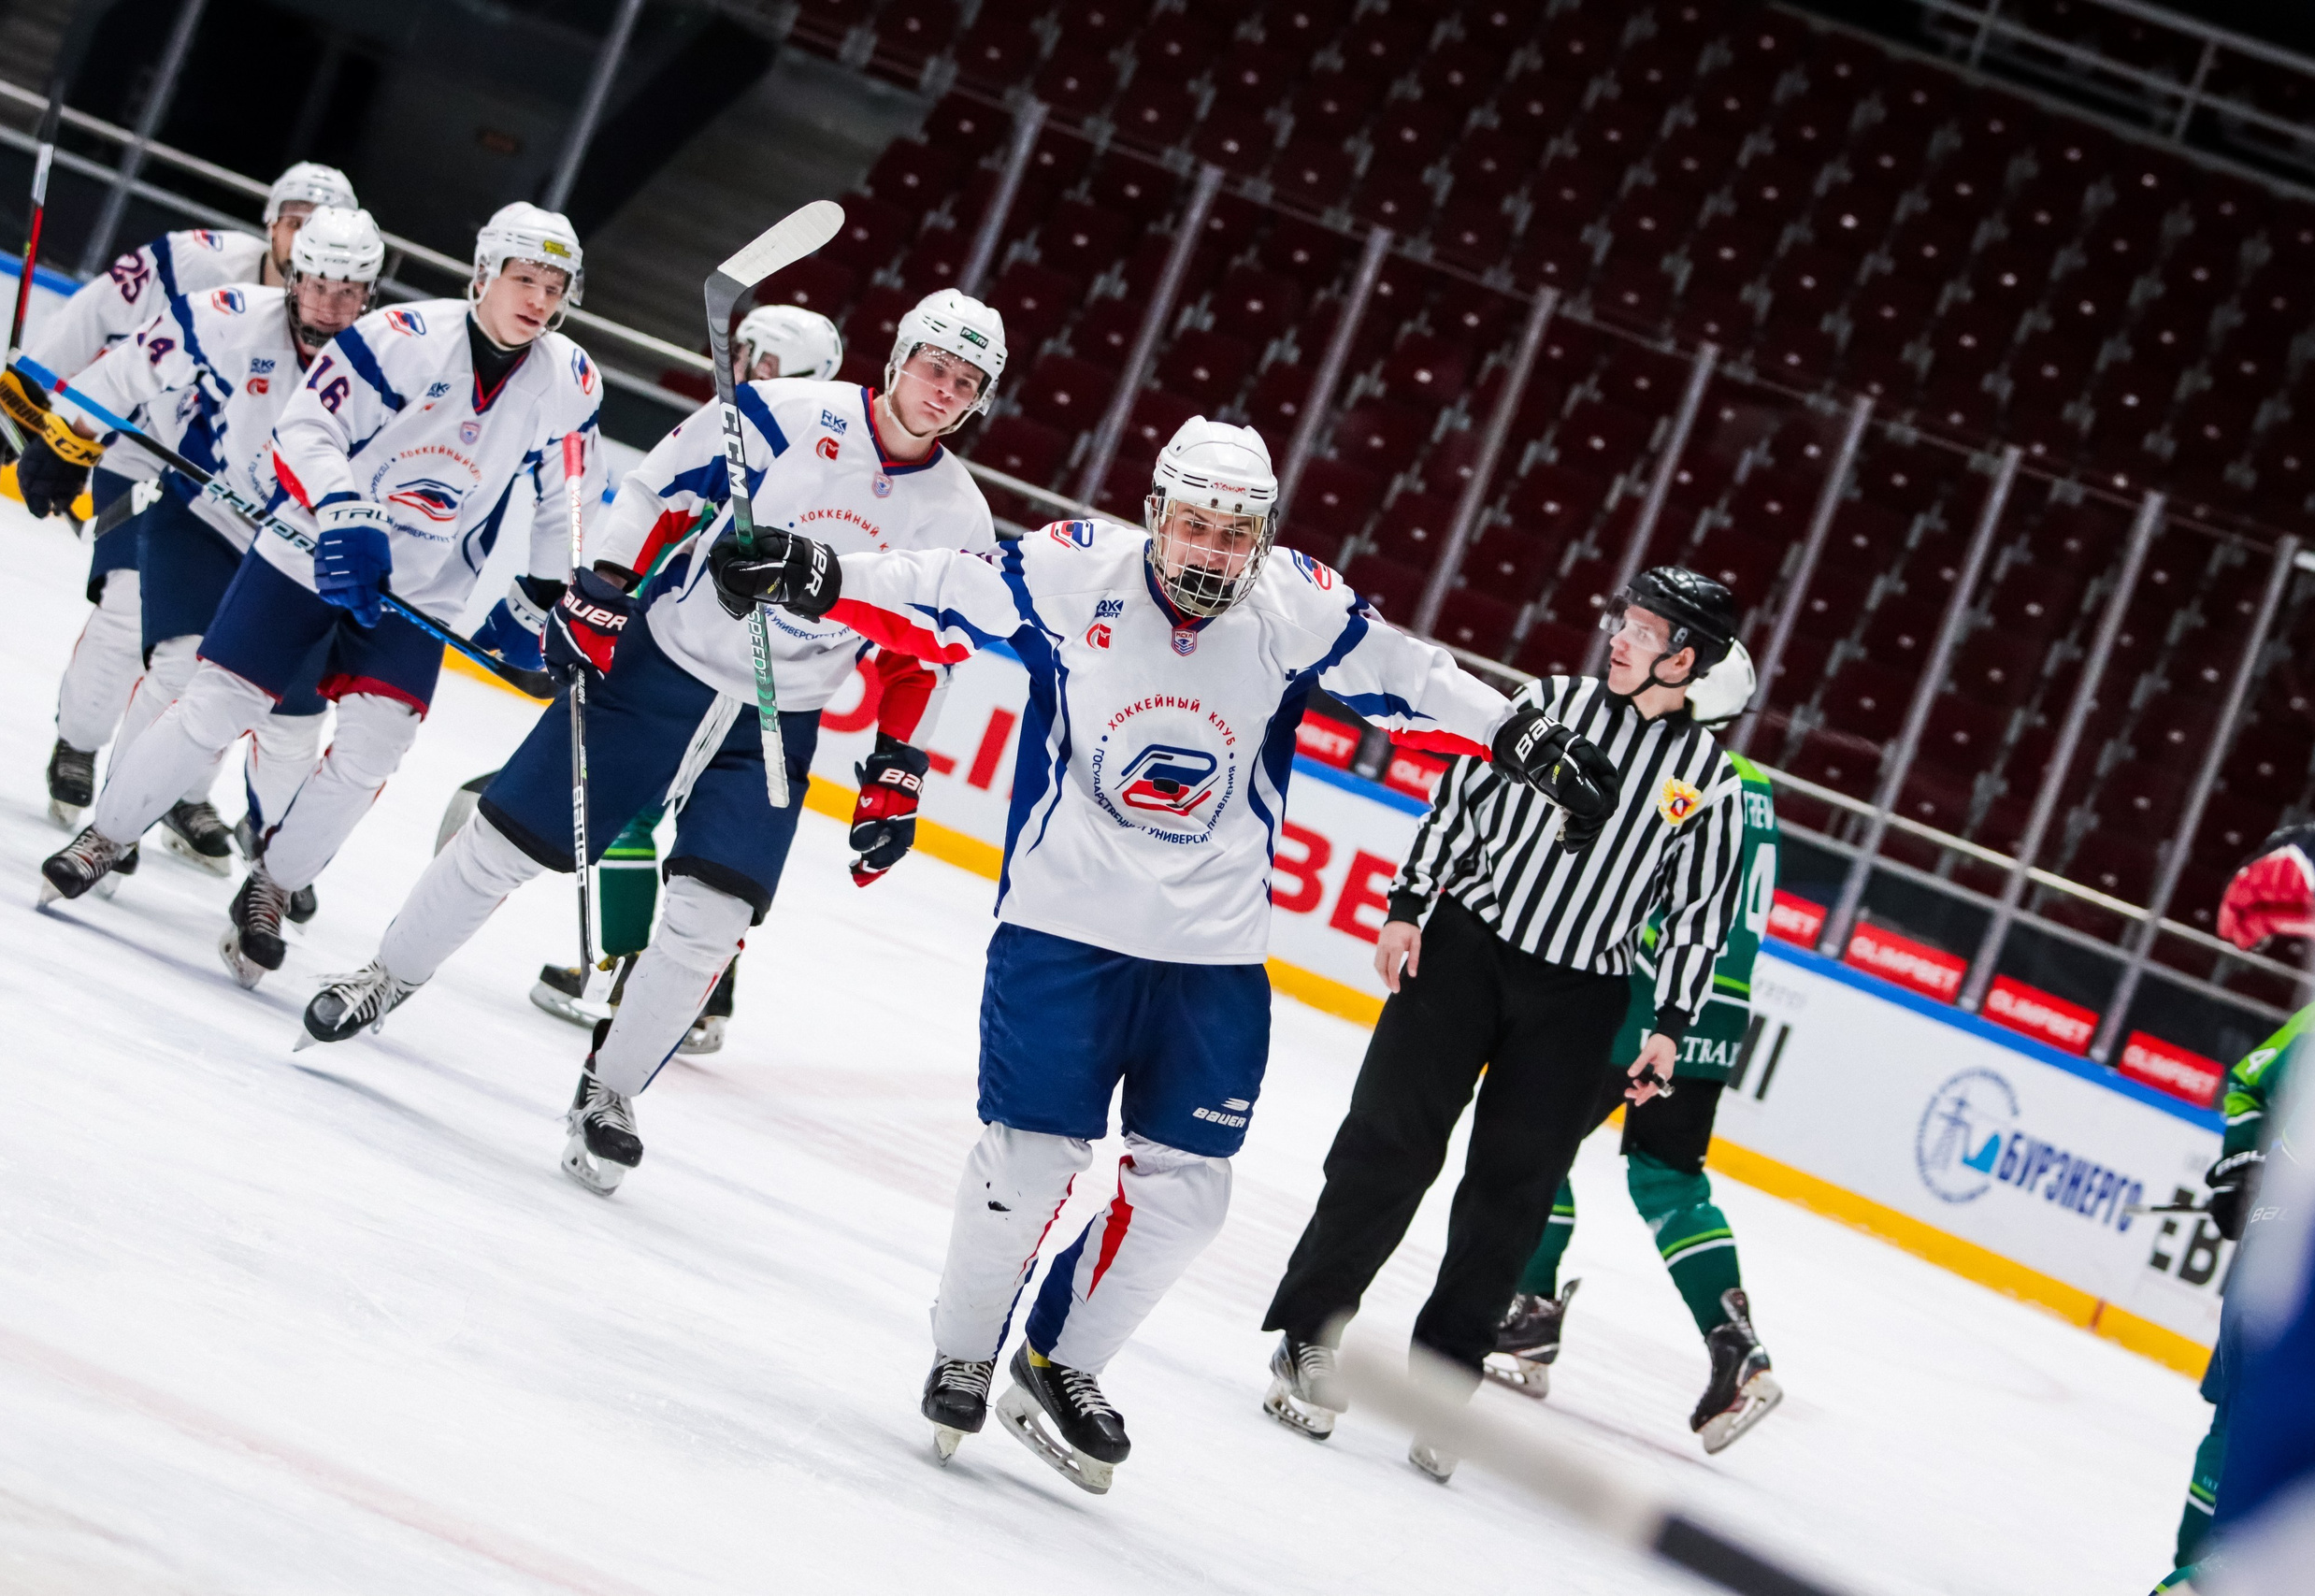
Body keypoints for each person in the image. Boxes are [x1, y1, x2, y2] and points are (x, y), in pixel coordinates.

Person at [708, 416, 1576, 1495]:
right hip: (1063, 932)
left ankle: (1059, 1362)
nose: (1212, 551)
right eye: (1196, 525)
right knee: (1029, 1164)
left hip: (1212, 958)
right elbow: (937, 589)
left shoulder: (1295, 607)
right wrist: (817, 571)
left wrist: (1519, 734)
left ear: (1263, 538)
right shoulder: (1072, 572)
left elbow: (1412, 679)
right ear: (1156, 513)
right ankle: (964, 1351)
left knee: (1189, 1192)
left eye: (1235, 534)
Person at [294, 290, 999, 1197]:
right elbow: (655, 490)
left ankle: (611, 1091)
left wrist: (899, 765)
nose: (944, 391)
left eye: (966, 383)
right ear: (900, 358)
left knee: (713, 922)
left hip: (775, 722)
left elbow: (928, 654)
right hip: (661, 668)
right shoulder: (782, 414)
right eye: (936, 367)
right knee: (503, 843)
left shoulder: (960, 516)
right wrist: (602, 587)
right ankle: (386, 977)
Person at [37, 202, 603, 995]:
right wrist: (343, 511)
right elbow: (304, 428)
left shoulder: (569, 378)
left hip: (423, 588)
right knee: (216, 702)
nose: (539, 300)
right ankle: (107, 835)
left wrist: (546, 590)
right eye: (525, 280)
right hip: (307, 551)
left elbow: (569, 494)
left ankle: (272, 884)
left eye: (554, 286)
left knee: (375, 748)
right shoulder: (400, 337)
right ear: (483, 275)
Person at [1258, 566, 1747, 1481]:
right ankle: (1309, 1334)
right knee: (1386, 1147)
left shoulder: (1706, 783)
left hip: (1580, 1000)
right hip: (1464, 953)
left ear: (1685, 659)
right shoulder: (1549, 702)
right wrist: (1408, 904)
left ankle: (1443, 1383)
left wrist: (1671, 1023)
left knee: (1511, 1199)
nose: (1619, 637)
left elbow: (1696, 915)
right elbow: (1459, 801)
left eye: (1643, 631)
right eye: (1624, 620)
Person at [0, 162, 357, 837]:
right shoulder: (199, 263)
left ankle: (179, 791)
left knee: (221, 658)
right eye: (294, 221)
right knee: (128, 610)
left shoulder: (345, 329)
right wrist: (29, 392)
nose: (304, 238)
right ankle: (79, 741)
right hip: (146, 455)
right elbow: (100, 310)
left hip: (243, 500)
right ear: (271, 224)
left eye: (318, 227)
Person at [33, 207, 385, 918]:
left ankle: (276, 853)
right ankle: (112, 830)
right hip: (204, 518)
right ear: (293, 276)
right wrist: (67, 441)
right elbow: (126, 370)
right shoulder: (225, 315)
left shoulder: (393, 364)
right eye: (318, 285)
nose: (330, 306)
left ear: (370, 294)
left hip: (295, 556)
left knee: (292, 726)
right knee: (177, 671)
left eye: (349, 292)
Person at [517, 302, 851, 1050]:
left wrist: (610, 612)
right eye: (746, 354)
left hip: (704, 673)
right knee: (714, 849)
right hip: (744, 682)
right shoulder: (802, 453)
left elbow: (672, 542)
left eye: (762, 360)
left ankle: (635, 972)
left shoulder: (768, 452)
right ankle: (697, 991)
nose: (742, 369)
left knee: (640, 815)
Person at [1481, 640, 1787, 1453]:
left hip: (1650, 998)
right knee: (1669, 1177)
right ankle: (1737, 1349)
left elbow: (1647, 884)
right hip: (1719, 1007)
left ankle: (1529, 1311)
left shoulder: (1687, 773)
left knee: (1532, 1137)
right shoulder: (1757, 788)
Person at [2154, 822, 2315, 1593]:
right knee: (2251, 1440)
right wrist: (2242, 1168)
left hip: (2284, 1259)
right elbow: (2254, 1077)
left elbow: (2252, 1078)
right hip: (2290, 1264)